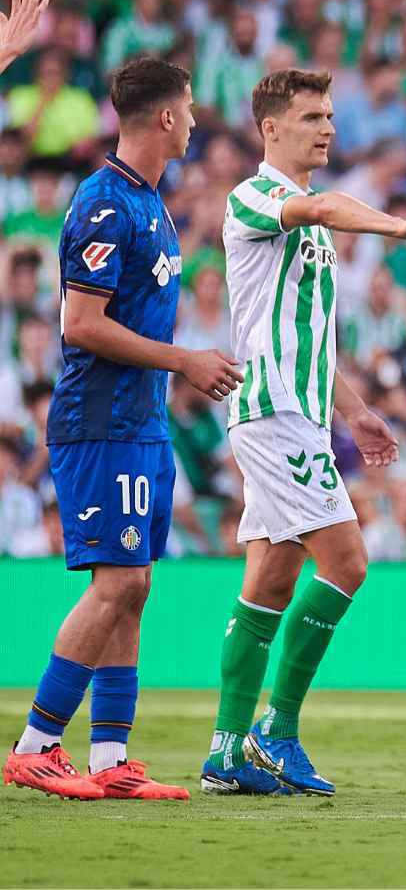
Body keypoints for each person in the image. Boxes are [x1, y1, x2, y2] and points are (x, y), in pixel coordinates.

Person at [203, 68, 406, 798]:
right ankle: (276, 730)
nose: (327, 128)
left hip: (300, 409)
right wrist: (397, 227)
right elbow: (319, 205)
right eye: (311, 117)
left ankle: (226, 751)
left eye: (329, 116)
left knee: (270, 580)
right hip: (274, 413)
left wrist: (354, 409)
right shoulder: (255, 197)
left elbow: (307, 337)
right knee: (348, 562)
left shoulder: (311, 222)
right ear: (270, 128)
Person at [4, 57, 239, 802]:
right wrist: (183, 360)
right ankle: (37, 744)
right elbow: (80, 323)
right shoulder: (106, 202)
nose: (195, 119)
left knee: (135, 587)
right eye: (190, 107)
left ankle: (110, 756)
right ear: (166, 116)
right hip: (99, 420)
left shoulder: (149, 202)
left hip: (140, 421)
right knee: (116, 583)